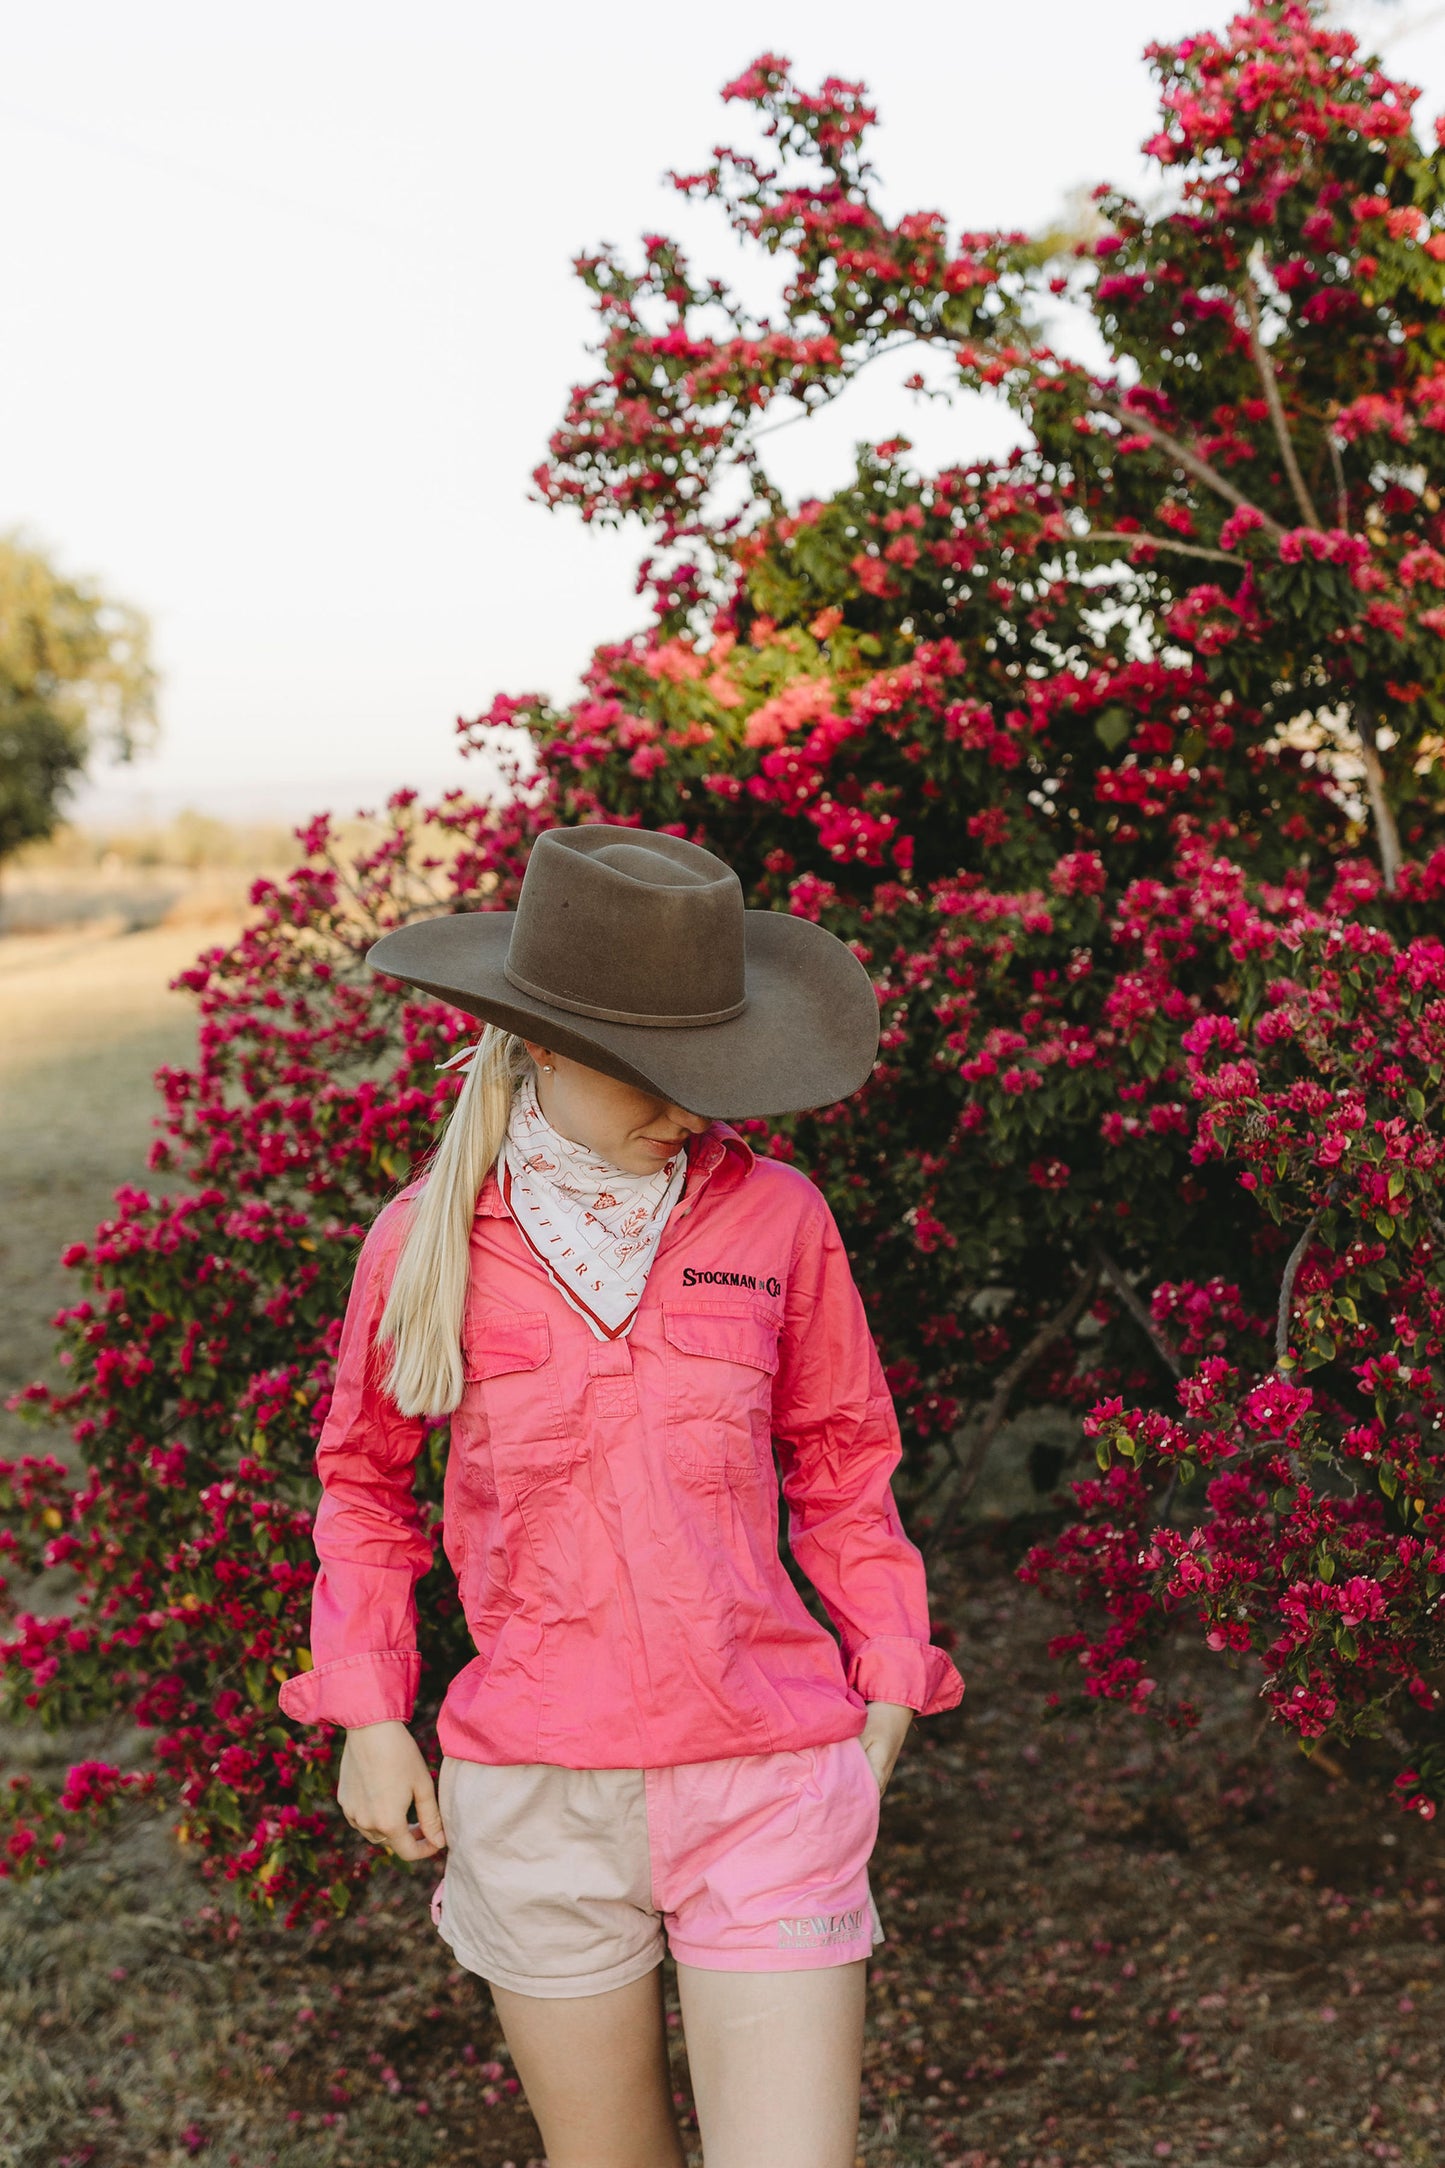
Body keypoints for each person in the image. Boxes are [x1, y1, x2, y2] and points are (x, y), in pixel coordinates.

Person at [277, 823, 964, 2168]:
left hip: (768, 1778)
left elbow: (845, 1462)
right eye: (651, 1071)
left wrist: (886, 1672)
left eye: (710, 1067)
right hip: (533, 1796)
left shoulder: (779, 1220)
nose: (692, 1105)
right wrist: (366, 1713)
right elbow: (363, 1491)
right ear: (532, 1039)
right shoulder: (421, 1242)